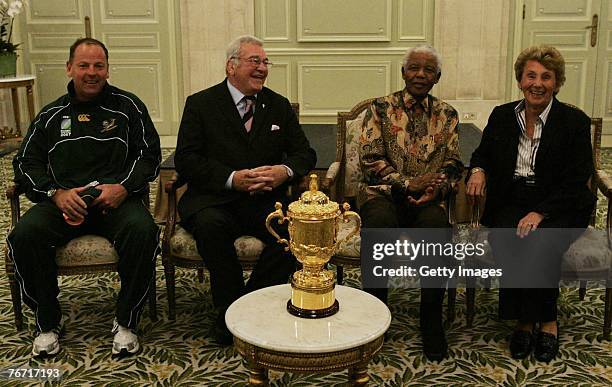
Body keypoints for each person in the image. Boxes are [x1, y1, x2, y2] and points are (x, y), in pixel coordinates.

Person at [7, 38, 161, 358]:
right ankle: (47, 323)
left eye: (99, 65)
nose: (92, 72)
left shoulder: (128, 107)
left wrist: (122, 188)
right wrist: (54, 193)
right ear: (69, 68)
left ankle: (126, 321)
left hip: (114, 201)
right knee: (23, 235)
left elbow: (149, 156)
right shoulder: (51, 114)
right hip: (64, 202)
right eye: (84, 65)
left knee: (144, 231)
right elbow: (24, 163)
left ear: (107, 69)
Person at [174, 35, 316, 345]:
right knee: (211, 228)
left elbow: (305, 154)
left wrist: (284, 171)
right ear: (231, 66)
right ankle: (230, 310)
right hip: (215, 199)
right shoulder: (201, 104)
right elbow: (186, 159)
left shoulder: (277, 105)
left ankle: (243, 309)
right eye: (255, 61)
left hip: (265, 201)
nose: (263, 68)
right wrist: (231, 178)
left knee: (294, 234)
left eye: (265, 62)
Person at [466, 45, 595, 362]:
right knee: (509, 237)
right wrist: (479, 170)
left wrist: (541, 212)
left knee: (542, 243)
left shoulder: (574, 122)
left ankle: (548, 322)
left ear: (557, 83)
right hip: (513, 197)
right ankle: (524, 320)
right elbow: (482, 154)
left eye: (546, 77)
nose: (538, 83)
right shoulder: (502, 115)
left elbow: (578, 180)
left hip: (561, 202)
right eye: (531, 76)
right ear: (520, 80)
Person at [358, 45, 464, 361]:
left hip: (427, 198)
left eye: (428, 70)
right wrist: (407, 183)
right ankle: (374, 315)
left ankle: (430, 319)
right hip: (383, 194)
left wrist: (437, 187)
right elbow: (370, 160)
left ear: (437, 77)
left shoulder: (447, 115)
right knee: (378, 227)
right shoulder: (379, 108)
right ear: (403, 73)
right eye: (414, 68)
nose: (420, 74)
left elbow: (455, 163)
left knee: (437, 230)